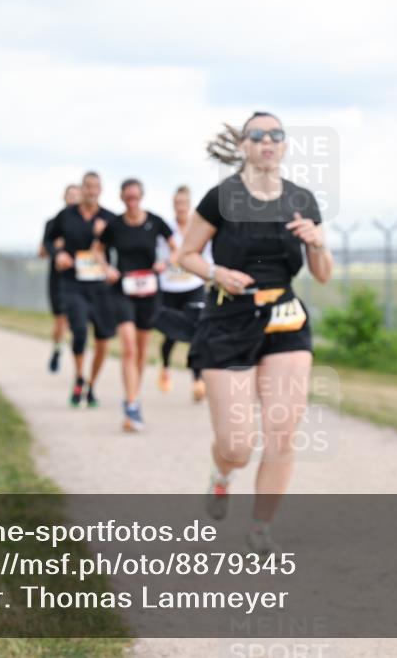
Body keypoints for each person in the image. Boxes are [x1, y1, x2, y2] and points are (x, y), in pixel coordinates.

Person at [179, 112, 332, 554]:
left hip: (285, 320)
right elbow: (185, 254)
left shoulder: (302, 199)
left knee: (282, 430)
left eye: (276, 135)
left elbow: (322, 274)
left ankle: (260, 528)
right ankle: (222, 474)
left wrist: (318, 242)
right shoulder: (221, 197)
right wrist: (216, 272)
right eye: (257, 135)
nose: (267, 141)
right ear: (244, 146)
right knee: (237, 444)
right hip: (228, 320)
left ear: (283, 146)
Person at [96, 178, 178, 432]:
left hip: (149, 290)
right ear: (122, 198)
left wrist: (165, 263)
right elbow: (97, 250)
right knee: (129, 347)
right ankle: (131, 404)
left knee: (142, 349)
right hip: (122, 290)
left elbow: (176, 248)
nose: (132, 202)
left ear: (141, 197)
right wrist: (107, 268)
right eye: (127, 198)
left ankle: (134, 395)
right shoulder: (115, 225)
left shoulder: (155, 221)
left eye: (135, 198)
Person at [45, 171, 117, 408]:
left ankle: (92, 385)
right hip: (72, 282)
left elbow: (123, 245)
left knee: (103, 338)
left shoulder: (109, 218)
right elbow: (48, 239)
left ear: (101, 190)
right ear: (82, 189)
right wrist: (59, 253)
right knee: (79, 331)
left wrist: (104, 236)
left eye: (96, 186)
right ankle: (78, 377)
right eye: (87, 186)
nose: (91, 190)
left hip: (100, 285)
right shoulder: (66, 216)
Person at [157, 185, 210, 402]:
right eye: (177, 203)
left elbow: (208, 256)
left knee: (197, 333)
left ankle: (197, 380)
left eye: (184, 204)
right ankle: (166, 367)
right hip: (170, 287)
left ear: (189, 206)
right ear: (173, 205)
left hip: (193, 286)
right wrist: (164, 263)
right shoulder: (165, 230)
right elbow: (160, 257)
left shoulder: (198, 229)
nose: (180, 207)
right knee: (171, 334)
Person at [41, 184, 81, 372]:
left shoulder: (86, 222)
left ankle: (77, 358)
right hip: (57, 279)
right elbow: (42, 251)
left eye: (76, 195)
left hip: (79, 279)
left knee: (77, 321)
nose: (73, 198)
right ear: (64, 197)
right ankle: (57, 349)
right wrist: (56, 248)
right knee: (60, 321)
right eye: (70, 195)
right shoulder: (53, 223)